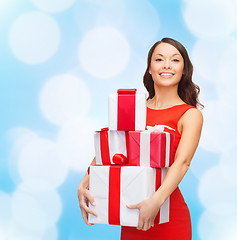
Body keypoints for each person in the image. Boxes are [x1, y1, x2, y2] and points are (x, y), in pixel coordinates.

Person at [78, 37, 203, 240]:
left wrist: (156, 201)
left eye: (175, 60)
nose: (167, 65)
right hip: (132, 214)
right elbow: (111, 149)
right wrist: (85, 181)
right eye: (159, 59)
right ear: (150, 69)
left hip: (169, 215)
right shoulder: (133, 110)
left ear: (184, 70)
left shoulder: (190, 115)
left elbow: (182, 162)